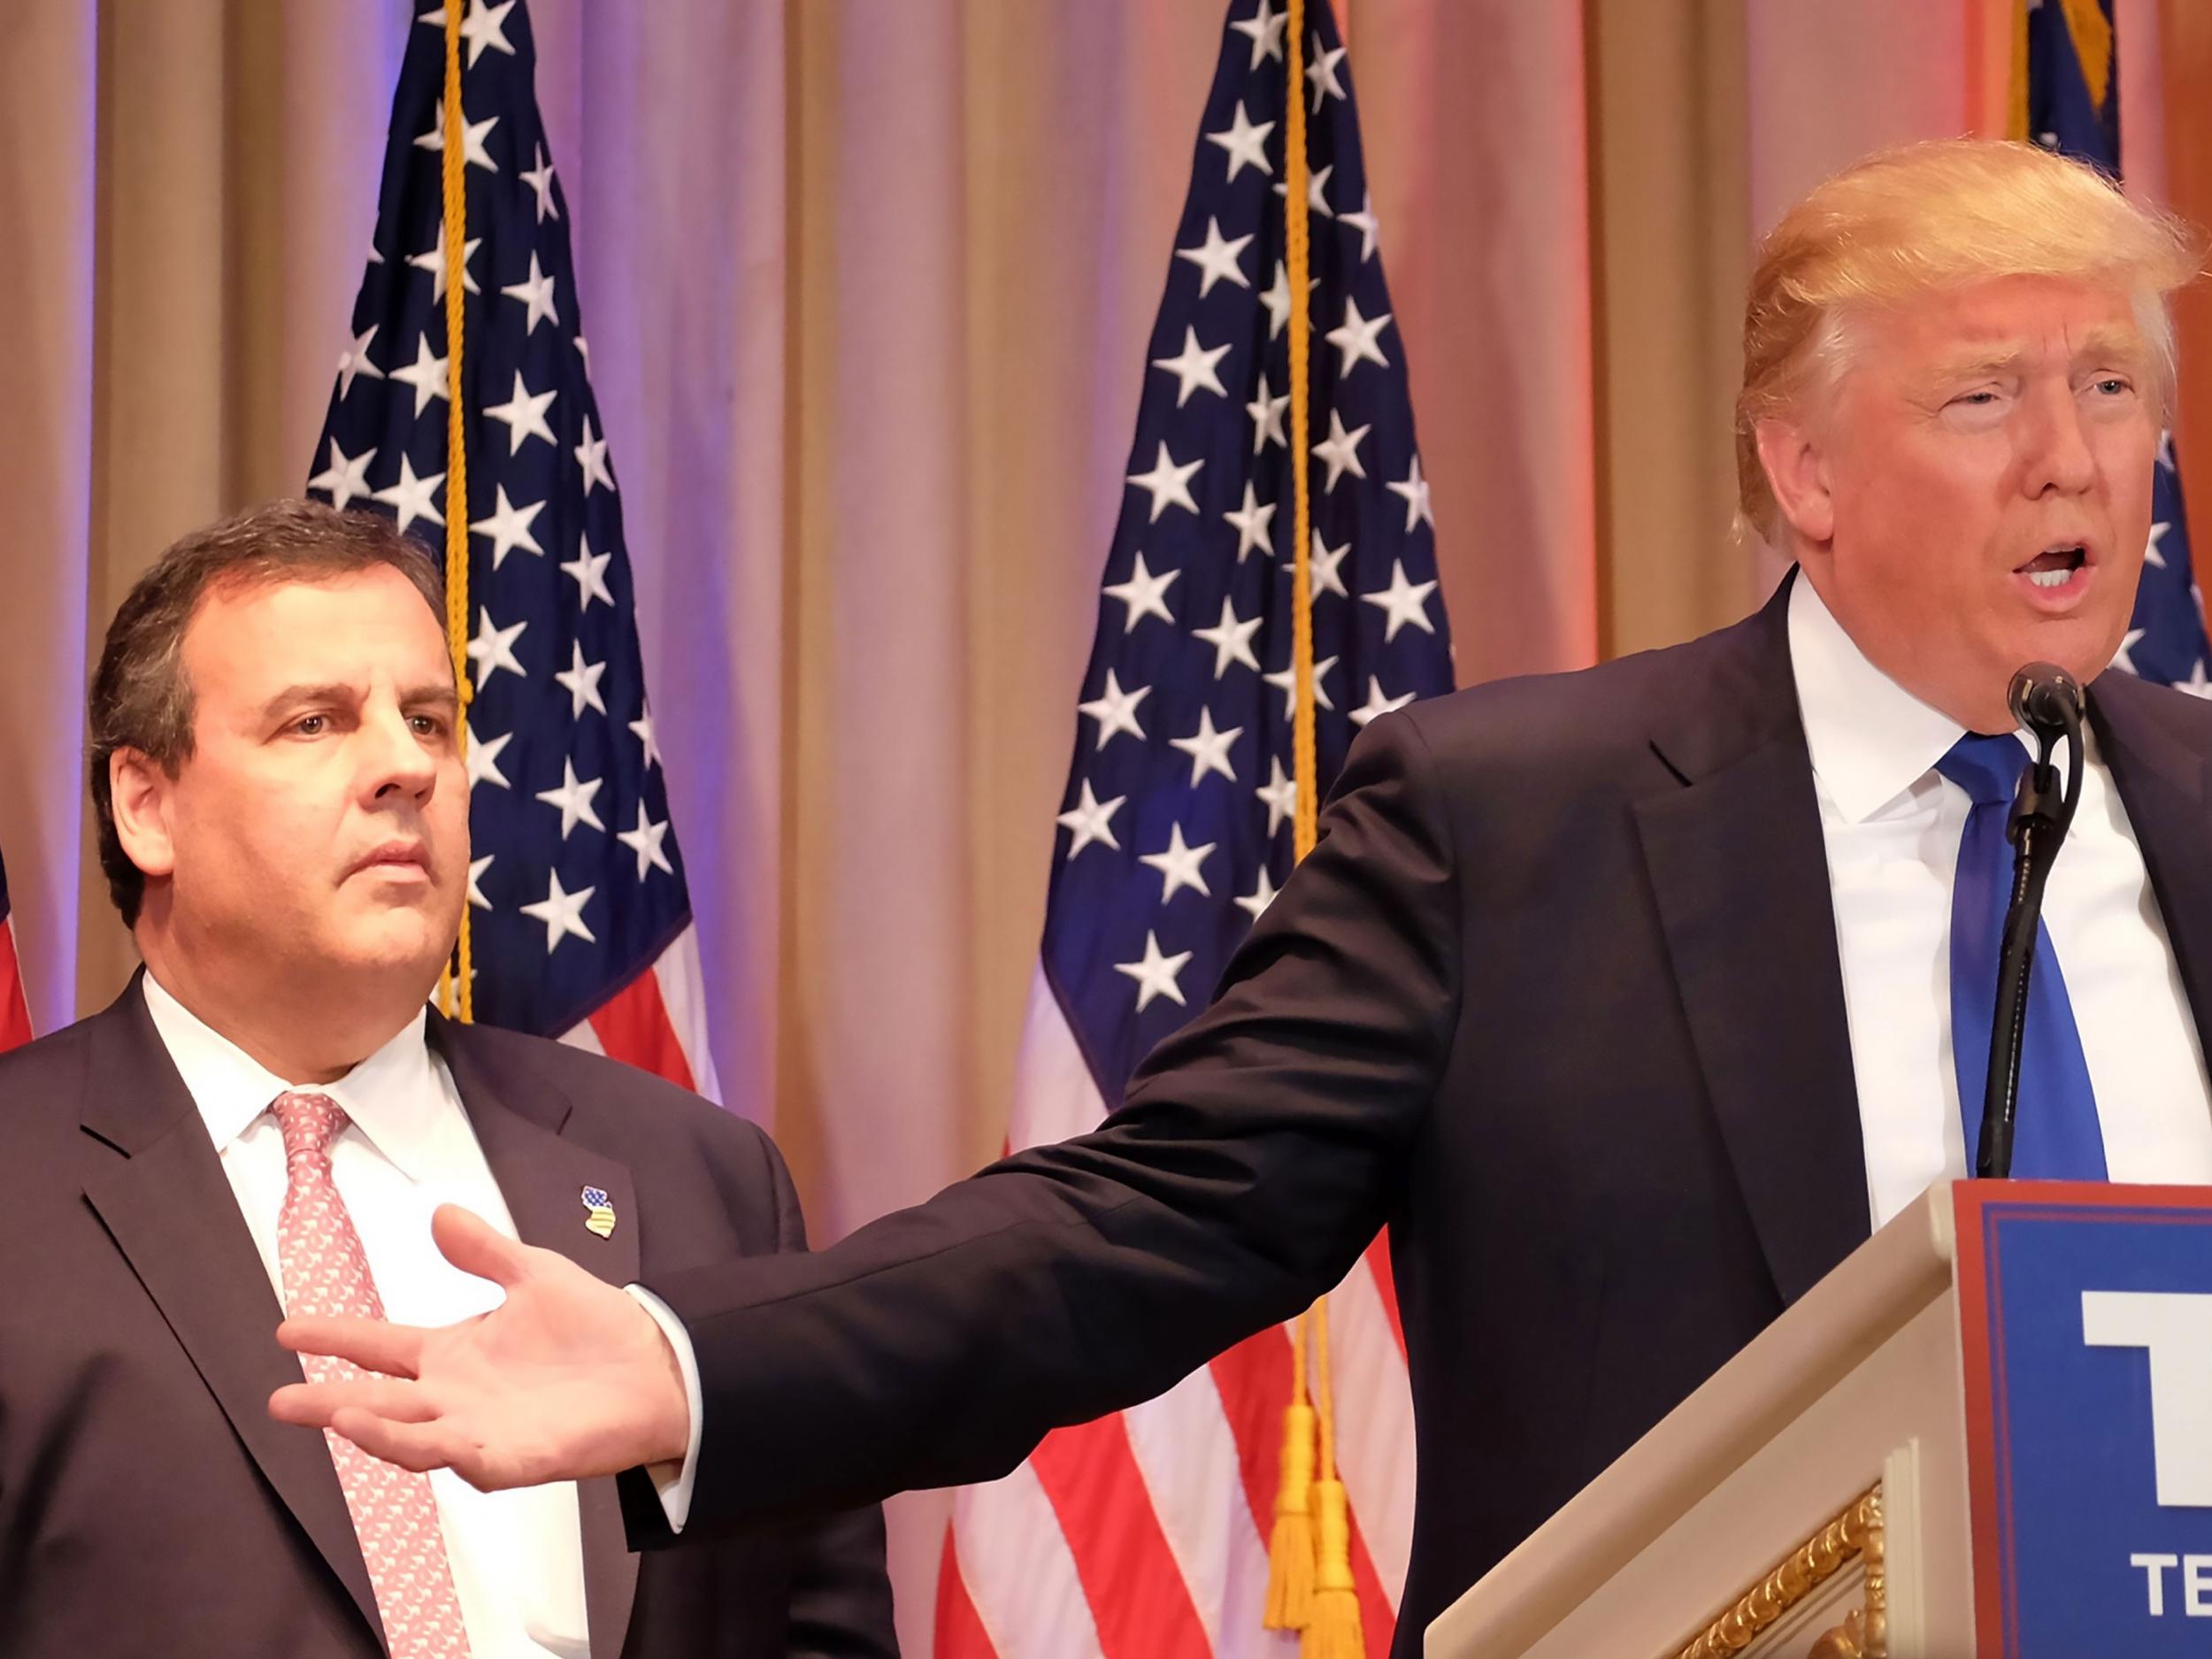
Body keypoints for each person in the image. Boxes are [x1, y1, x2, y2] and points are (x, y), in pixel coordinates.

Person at [273, 139, 2212, 1655]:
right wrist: (692, 1356)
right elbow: (1142, 1219)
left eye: (2112, 383)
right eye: (1981, 398)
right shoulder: (1515, 824)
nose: (2073, 456)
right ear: (1800, 464)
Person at [0, 499, 896, 1657]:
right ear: (147, 805)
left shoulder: (700, 1177)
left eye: (429, 720)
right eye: (316, 722)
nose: (404, 767)